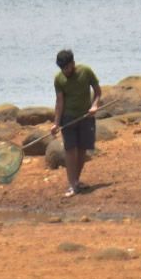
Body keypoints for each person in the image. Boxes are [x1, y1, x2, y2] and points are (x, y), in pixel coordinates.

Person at [51, 49, 102, 197]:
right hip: (68, 119)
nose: (65, 71)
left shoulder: (86, 71)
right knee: (70, 150)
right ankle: (72, 185)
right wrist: (56, 123)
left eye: (67, 67)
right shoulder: (58, 79)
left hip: (86, 116)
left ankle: (76, 181)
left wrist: (94, 106)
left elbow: (98, 92)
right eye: (62, 69)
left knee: (82, 150)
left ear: (73, 63)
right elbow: (59, 102)